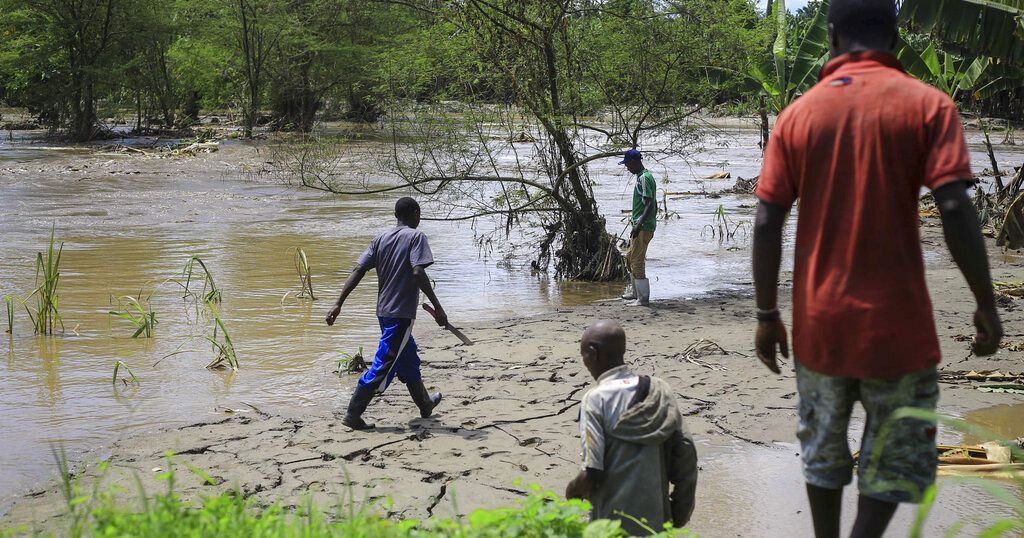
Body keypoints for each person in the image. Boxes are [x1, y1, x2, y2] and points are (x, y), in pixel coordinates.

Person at [751, 1, 1004, 537]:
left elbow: (768, 219)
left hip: (820, 329)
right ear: (894, 33)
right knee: (893, 459)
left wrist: (767, 313)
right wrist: (985, 302)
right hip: (900, 331)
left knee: (821, 449)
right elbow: (956, 209)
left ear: (832, 34)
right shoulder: (928, 105)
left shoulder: (799, 114)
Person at [326, 197, 449, 430]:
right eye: (419, 214)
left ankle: (425, 404)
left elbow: (359, 270)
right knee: (384, 364)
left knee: (408, 357)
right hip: (400, 314)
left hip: (383, 311)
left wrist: (338, 303)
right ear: (415, 213)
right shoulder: (416, 237)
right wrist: (438, 308)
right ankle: (353, 414)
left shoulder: (380, 239)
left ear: (396, 216)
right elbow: (418, 271)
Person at [566, 320, 697, 535]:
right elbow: (686, 454)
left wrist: (572, 492)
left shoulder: (595, 399)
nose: (584, 362)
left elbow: (592, 473)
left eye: (583, 355)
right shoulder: (660, 391)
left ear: (592, 352)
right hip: (657, 523)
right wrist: (679, 512)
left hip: (610, 526)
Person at [620, 149, 657, 306]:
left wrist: (639, 225)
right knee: (630, 257)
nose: (627, 168)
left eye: (627, 164)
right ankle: (635, 292)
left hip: (643, 226)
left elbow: (649, 204)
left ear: (634, 162)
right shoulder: (643, 177)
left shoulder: (644, 178)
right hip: (640, 224)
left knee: (637, 260)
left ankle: (642, 298)